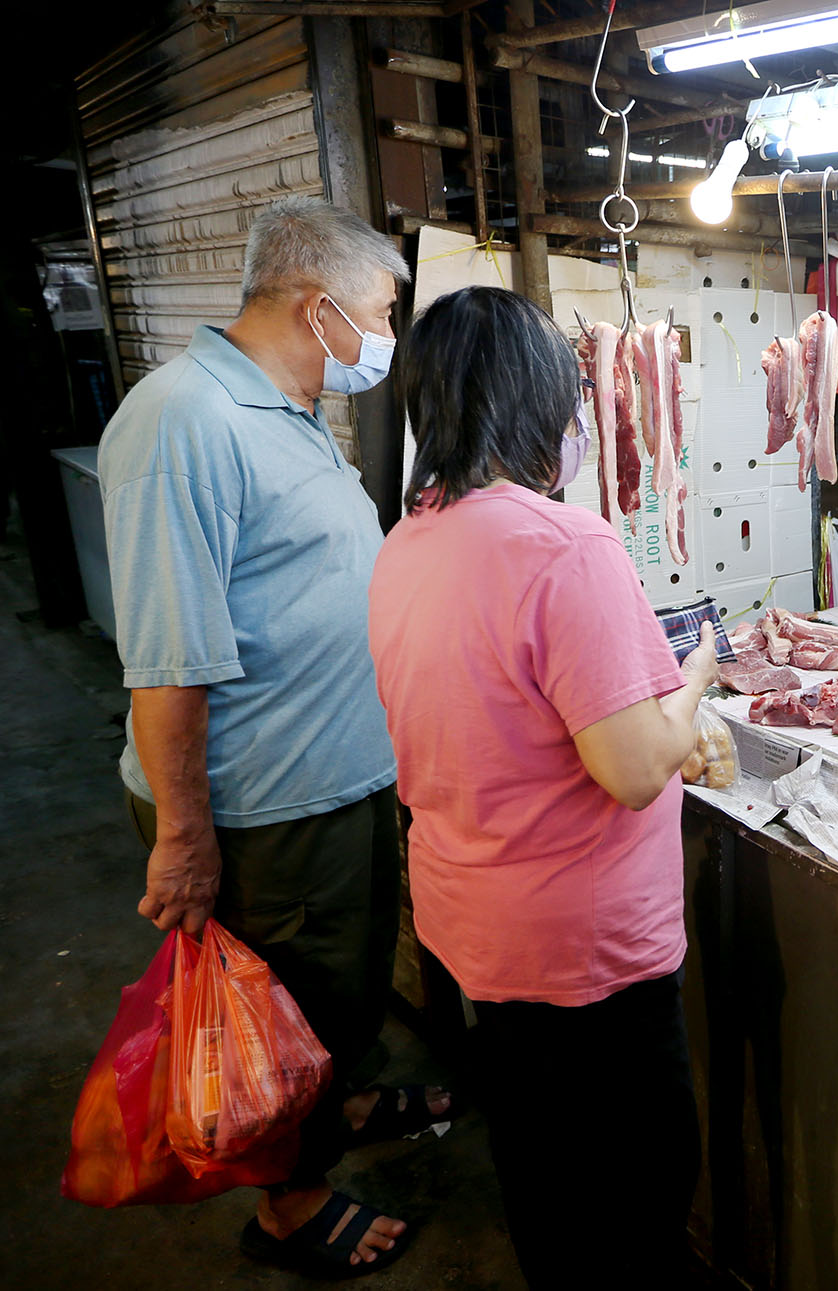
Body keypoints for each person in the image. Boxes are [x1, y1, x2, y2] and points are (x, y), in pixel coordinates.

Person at [97, 197, 448, 1276]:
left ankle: (335, 1100)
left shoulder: (285, 410)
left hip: (334, 783)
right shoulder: (183, 420)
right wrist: (185, 837)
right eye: (383, 311)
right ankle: (290, 1204)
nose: (387, 335)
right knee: (280, 1001)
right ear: (319, 306)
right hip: (261, 805)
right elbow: (169, 657)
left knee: (333, 991)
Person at [367, 286, 718, 1288]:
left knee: (541, 1171)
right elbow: (638, 764)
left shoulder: (409, 538)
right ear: (537, 405)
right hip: (586, 954)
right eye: (568, 403)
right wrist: (694, 679)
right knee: (640, 1191)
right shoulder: (564, 544)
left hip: (475, 929)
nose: (575, 426)